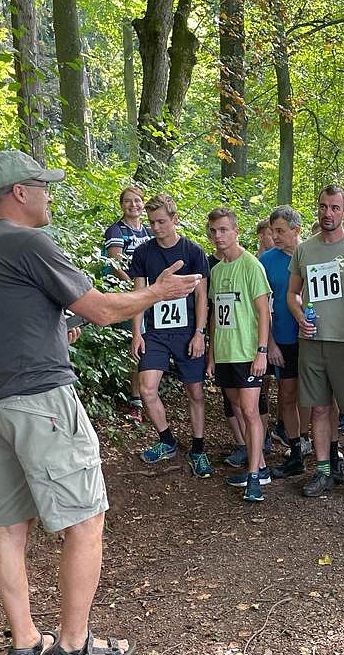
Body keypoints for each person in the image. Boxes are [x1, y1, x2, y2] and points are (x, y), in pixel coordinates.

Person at [0, 150, 201, 655]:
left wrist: (43, 331)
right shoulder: (28, 243)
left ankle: (24, 645)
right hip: (41, 402)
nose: (49, 195)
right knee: (85, 519)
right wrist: (158, 292)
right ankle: (75, 648)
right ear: (19, 192)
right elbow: (100, 309)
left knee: (10, 526)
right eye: (43, 186)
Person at [287, 185, 344, 504]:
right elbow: (292, 294)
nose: (328, 213)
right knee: (319, 409)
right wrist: (300, 316)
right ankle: (323, 470)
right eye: (323, 206)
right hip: (312, 342)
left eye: (335, 207)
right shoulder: (305, 250)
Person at [129, 194, 212, 476]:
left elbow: (202, 297)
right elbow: (138, 296)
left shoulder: (193, 252)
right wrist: (137, 333)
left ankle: (198, 448)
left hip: (187, 332)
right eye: (152, 222)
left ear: (174, 219)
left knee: (195, 391)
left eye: (161, 221)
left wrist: (199, 333)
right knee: (147, 389)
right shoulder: (143, 253)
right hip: (155, 333)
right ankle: (167, 441)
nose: (156, 227)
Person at [205, 207, 272, 502]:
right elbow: (214, 317)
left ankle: (254, 476)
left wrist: (262, 351)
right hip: (225, 352)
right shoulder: (217, 270)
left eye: (223, 230)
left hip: (247, 351)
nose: (218, 236)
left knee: (250, 411)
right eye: (213, 231)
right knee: (237, 407)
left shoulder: (251, 265)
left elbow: (263, 312)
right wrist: (211, 355)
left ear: (236, 231)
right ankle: (260, 466)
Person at [261, 205, 310, 479]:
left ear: (296, 230)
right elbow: (261, 307)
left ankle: (315, 444)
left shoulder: (314, 253)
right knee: (288, 394)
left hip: (315, 337)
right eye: (272, 231)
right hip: (283, 338)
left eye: (280, 231)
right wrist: (270, 343)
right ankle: (295, 450)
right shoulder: (267, 260)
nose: (275, 236)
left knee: (316, 395)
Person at [102, 186, 153, 421]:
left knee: (152, 342)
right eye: (128, 201)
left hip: (152, 294)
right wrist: (135, 289)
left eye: (138, 200)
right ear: (121, 205)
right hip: (130, 296)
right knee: (137, 343)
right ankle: (135, 399)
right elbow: (116, 265)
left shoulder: (149, 230)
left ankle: (149, 393)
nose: (133, 205)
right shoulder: (116, 230)